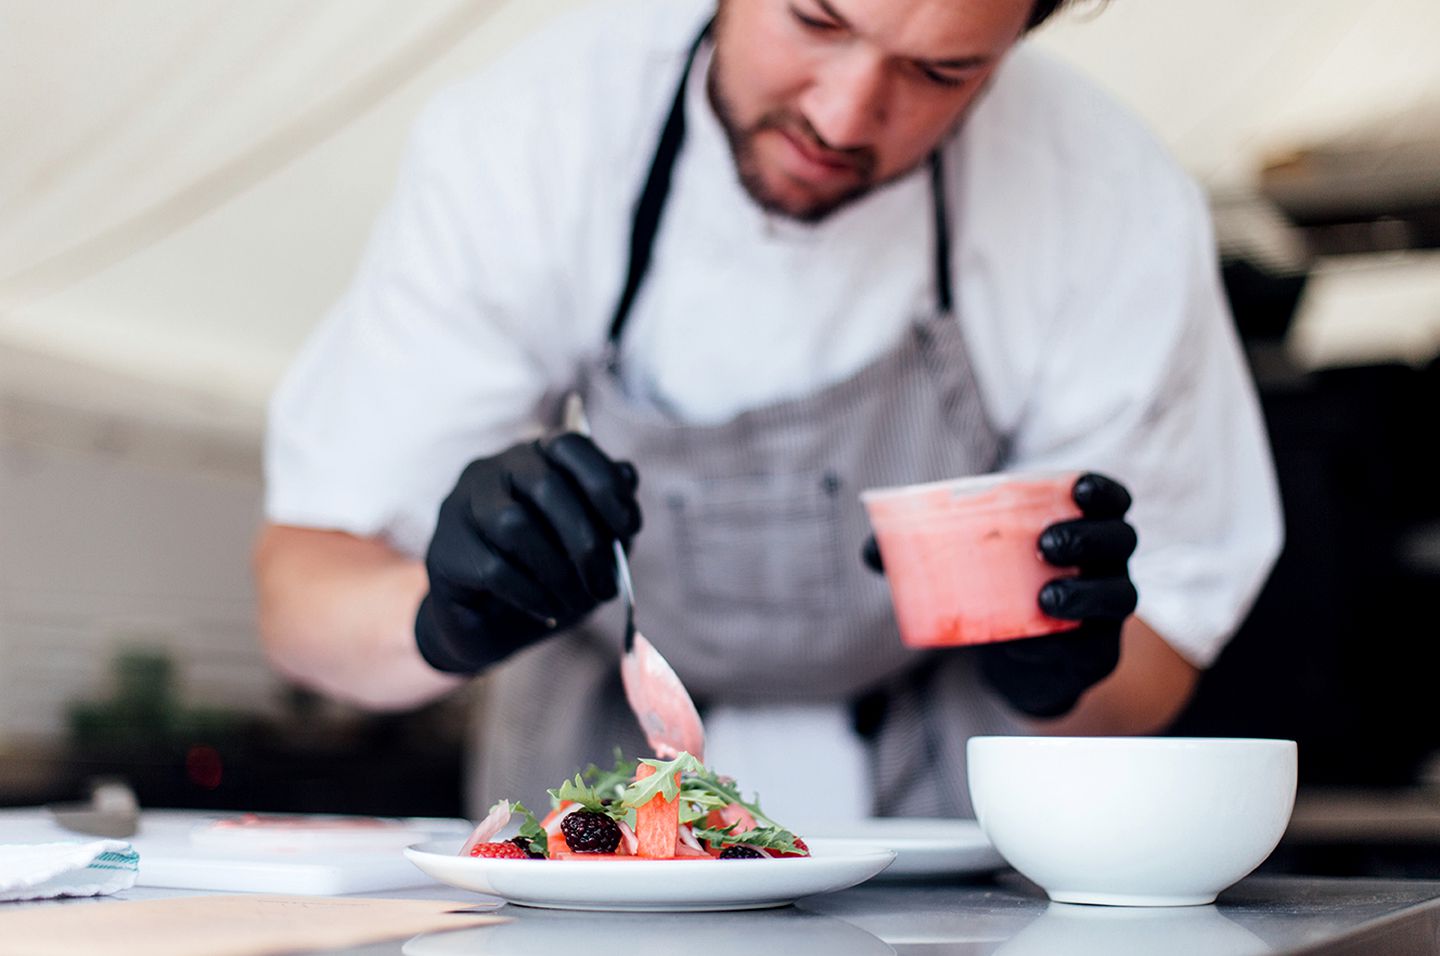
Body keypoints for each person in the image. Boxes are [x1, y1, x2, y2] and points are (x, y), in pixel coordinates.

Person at [255, 0, 1283, 820]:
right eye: (815, 19)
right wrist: (443, 616)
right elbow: (303, 595)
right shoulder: (534, 136)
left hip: (942, 806)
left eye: (940, 71)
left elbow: (1161, 649)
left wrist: (1064, 678)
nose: (841, 118)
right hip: (592, 794)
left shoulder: (1106, 200)